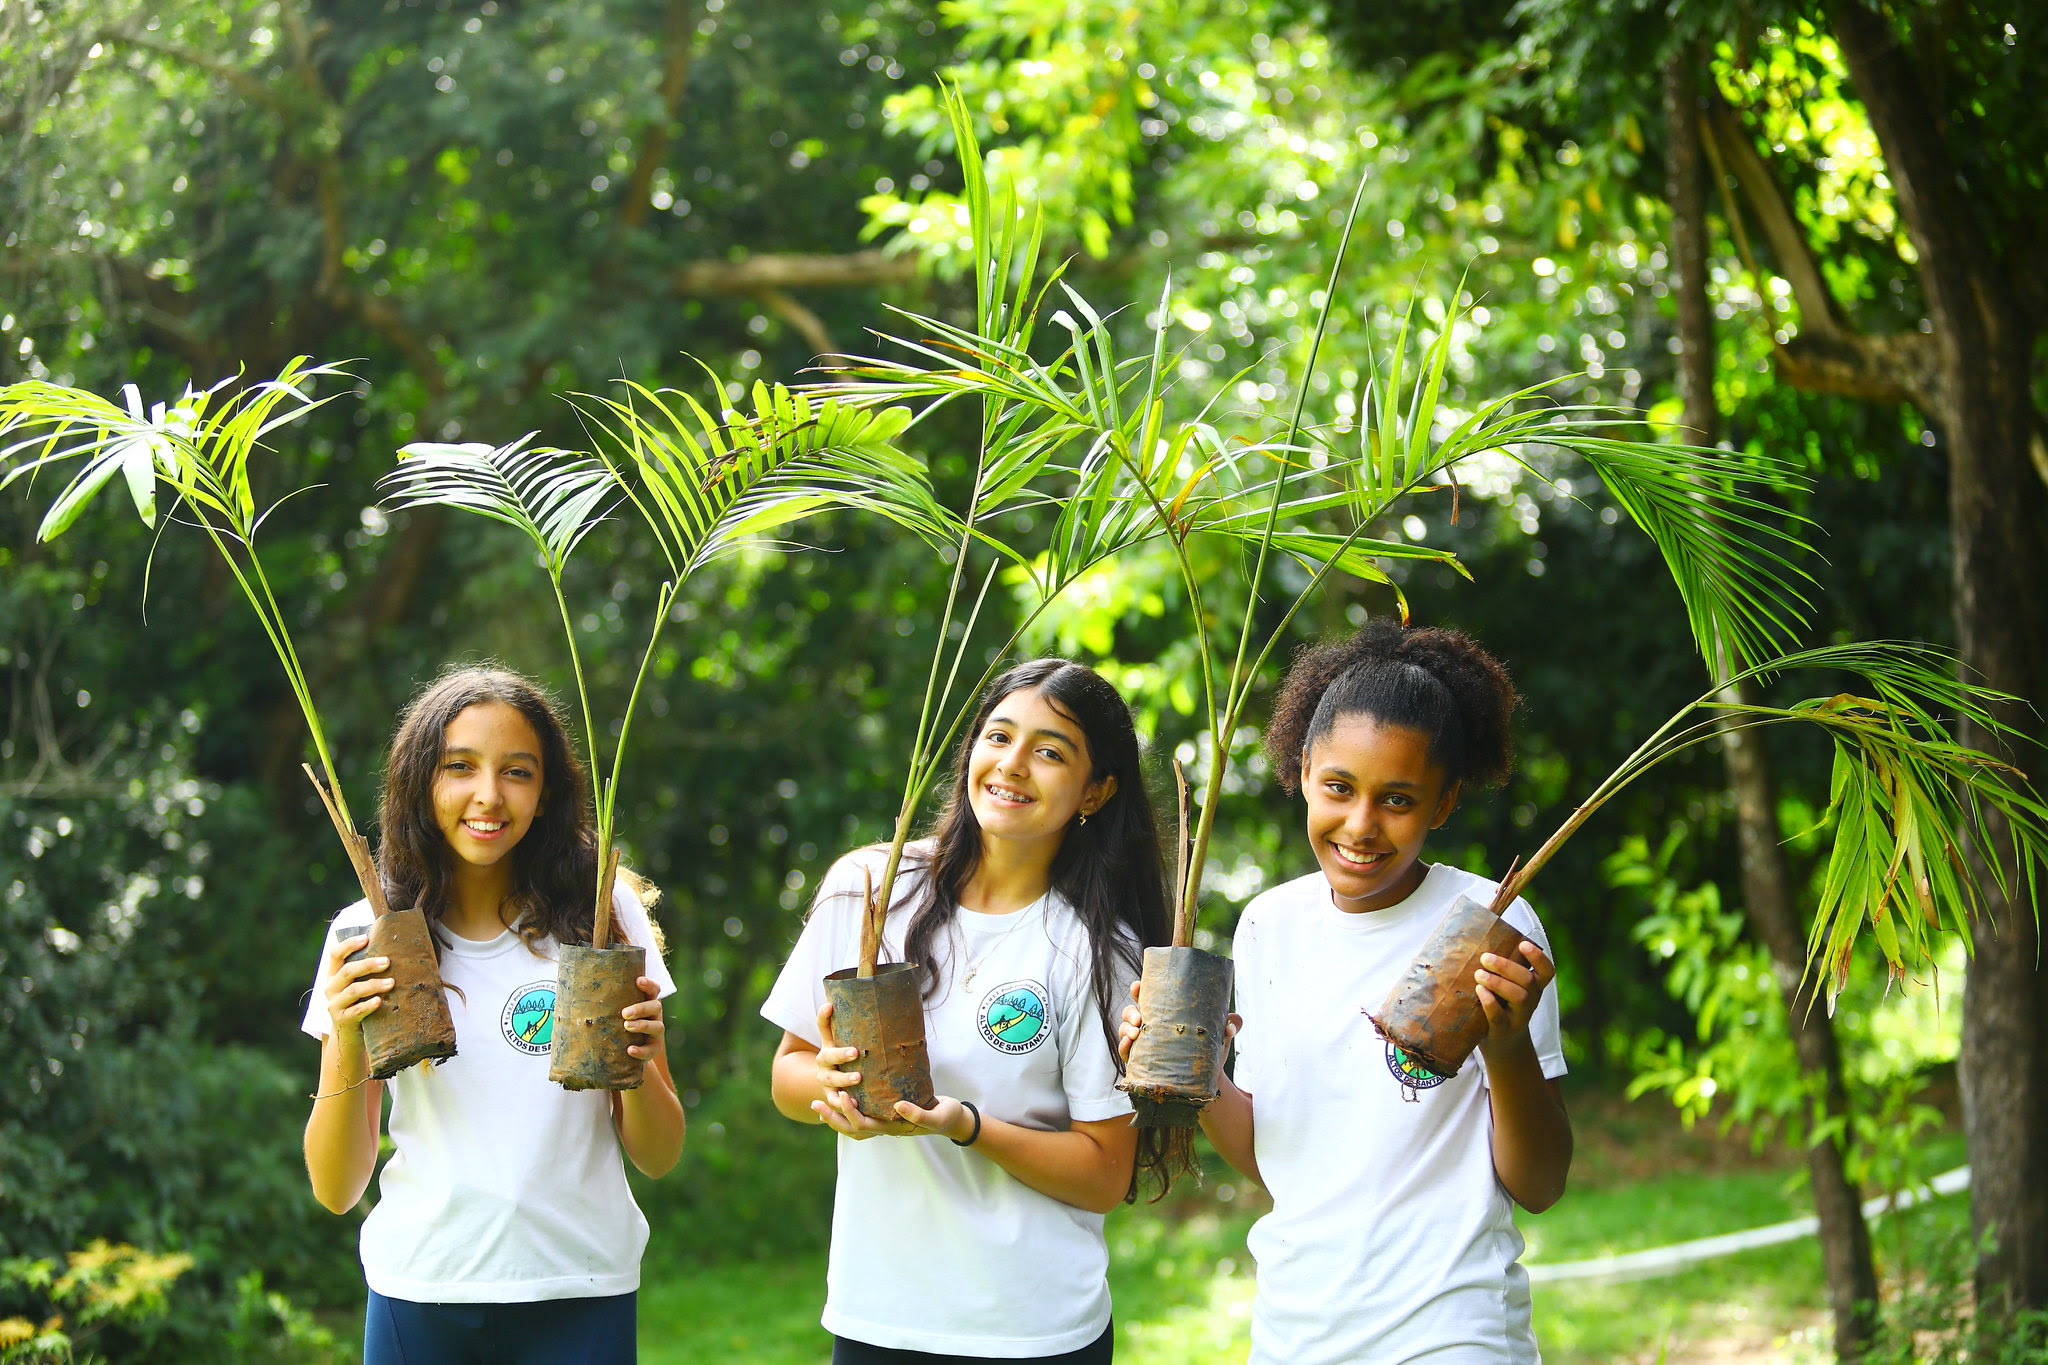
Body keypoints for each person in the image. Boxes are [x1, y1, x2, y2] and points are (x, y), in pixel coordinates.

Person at [1121, 620, 1572, 1365]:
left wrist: (1508, 1040)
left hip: (1450, 1331)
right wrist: (1184, 1065)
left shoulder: (1491, 923)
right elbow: (1279, 1155)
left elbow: (1542, 1181)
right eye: (1339, 787)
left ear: (1445, 802)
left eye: (1397, 799)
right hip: (1296, 1332)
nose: (1361, 824)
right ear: (1301, 770)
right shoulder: (1270, 923)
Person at [763, 658, 1174, 1363]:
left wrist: (968, 1126)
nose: (1012, 765)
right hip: (879, 1316)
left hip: (1034, 1329)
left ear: (1096, 790)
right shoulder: (869, 887)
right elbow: (789, 1074)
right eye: (999, 736)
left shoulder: (1098, 949)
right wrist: (834, 1089)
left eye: (1050, 752)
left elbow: (1106, 1171)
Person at [303, 666, 683, 1365]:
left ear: (546, 794)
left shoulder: (602, 918)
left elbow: (659, 1155)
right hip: (421, 1290)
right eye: (459, 767)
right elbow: (335, 1187)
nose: (488, 795)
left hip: (582, 1284)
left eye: (517, 771)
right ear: (421, 783)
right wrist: (344, 1040)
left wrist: (636, 1064)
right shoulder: (368, 934)